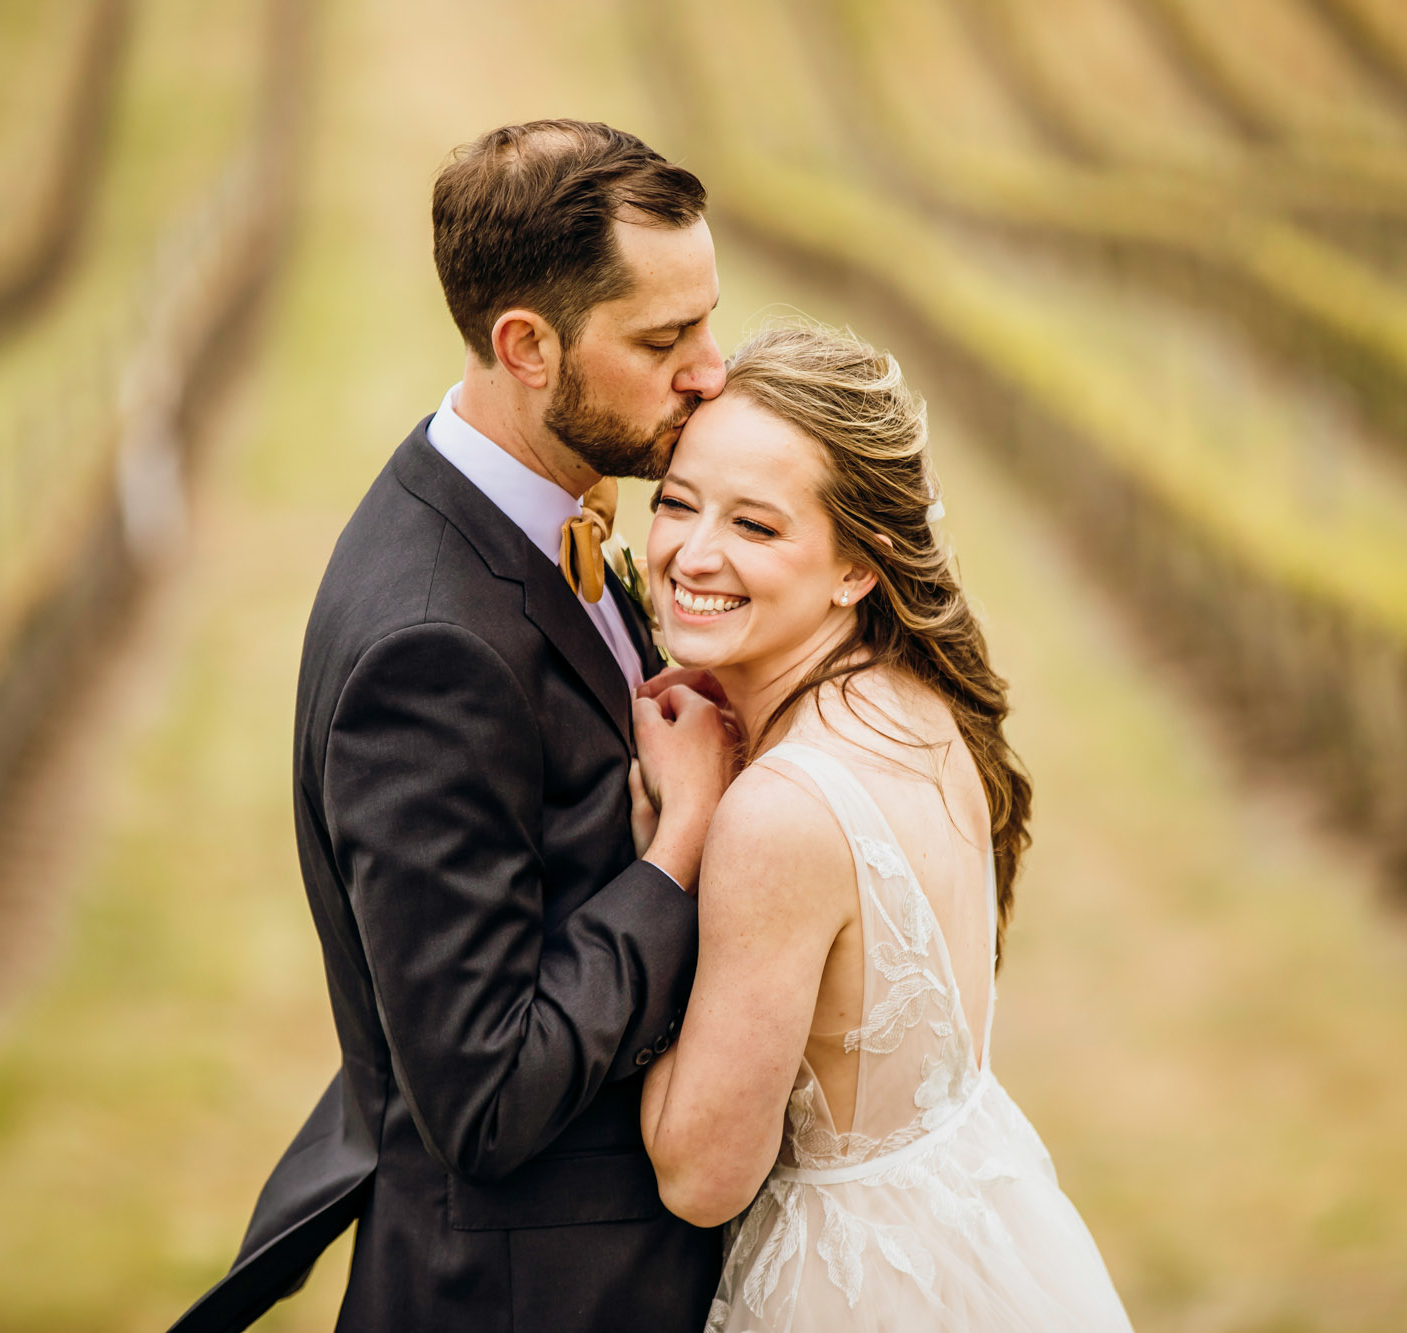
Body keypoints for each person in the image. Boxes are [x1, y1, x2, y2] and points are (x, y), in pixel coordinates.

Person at [169, 119, 738, 1333]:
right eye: (663, 339)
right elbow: (484, 1095)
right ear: (524, 346)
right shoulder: (429, 648)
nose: (711, 369)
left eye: (705, 321)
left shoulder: (531, 503)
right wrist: (679, 843)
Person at [633, 324, 1137, 1330]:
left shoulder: (776, 814)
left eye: (756, 527)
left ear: (857, 568)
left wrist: (679, 830)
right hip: (976, 1231)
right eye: (677, 503)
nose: (693, 552)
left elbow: (699, 1176)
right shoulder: (917, 702)